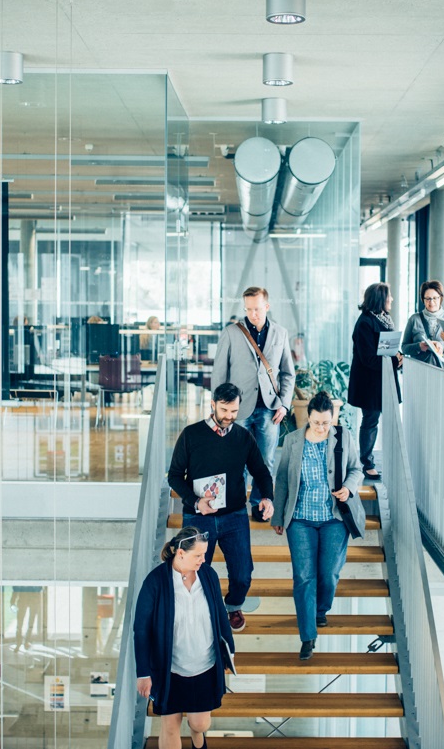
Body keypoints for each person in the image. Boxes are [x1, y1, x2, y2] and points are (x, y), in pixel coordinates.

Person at [168, 382, 274, 631]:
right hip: (198, 516)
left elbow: (261, 471)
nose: (229, 416)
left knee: (242, 573)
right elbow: (174, 476)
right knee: (193, 571)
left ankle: (234, 606)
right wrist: (195, 502)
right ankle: (196, 611)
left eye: (234, 411)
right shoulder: (191, 435)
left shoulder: (243, 437)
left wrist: (267, 497)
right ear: (213, 405)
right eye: (224, 410)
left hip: (235, 516)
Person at [271, 391, 365, 660]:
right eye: (316, 423)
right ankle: (307, 636)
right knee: (303, 577)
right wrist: (278, 517)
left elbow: (356, 469)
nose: (322, 428)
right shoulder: (292, 441)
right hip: (299, 519)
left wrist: (348, 487)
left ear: (332, 418)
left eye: (326, 422)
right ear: (307, 418)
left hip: (334, 518)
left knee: (329, 573)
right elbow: (282, 481)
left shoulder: (343, 437)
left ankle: (321, 609)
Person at [134, 527, 234, 749]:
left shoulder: (208, 576)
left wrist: (229, 653)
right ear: (180, 553)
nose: (203, 559)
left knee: (200, 724)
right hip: (170, 670)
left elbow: (220, 615)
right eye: (198, 555)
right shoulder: (155, 581)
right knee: (170, 727)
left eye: (204, 554)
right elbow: (141, 630)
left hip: (205, 666)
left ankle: (197, 736)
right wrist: (143, 672)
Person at [211, 286, 295, 521]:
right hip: (237, 409)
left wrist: (284, 404)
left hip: (269, 408)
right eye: (248, 309)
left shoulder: (280, 333)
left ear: (266, 306)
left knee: (265, 460)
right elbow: (219, 372)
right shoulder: (231, 332)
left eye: (257, 309)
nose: (252, 314)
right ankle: (234, 505)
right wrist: (218, 407)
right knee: (234, 459)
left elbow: (288, 373)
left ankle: (260, 505)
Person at [347, 282, 402, 481]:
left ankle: (379, 460)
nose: (392, 300)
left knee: (378, 420)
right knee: (370, 420)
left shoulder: (384, 319)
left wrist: (397, 355)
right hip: (369, 383)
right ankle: (367, 463)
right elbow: (369, 358)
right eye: (389, 296)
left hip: (382, 379)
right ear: (381, 299)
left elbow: (386, 348)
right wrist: (394, 359)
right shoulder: (365, 323)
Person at [401, 280, 444, 368]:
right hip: (419, 370)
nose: (431, 302)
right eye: (428, 298)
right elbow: (404, 348)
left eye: (435, 298)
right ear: (423, 299)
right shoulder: (414, 319)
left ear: (440, 298)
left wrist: (442, 345)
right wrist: (419, 346)